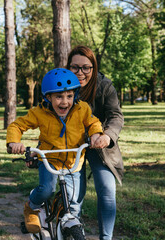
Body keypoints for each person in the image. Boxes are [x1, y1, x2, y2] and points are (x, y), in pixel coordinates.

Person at [6, 68, 104, 233]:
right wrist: (14, 142)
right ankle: (32, 207)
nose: (64, 102)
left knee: (74, 203)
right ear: (48, 97)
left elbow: (93, 122)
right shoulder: (40, 112)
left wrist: (96, 134)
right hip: (49, 160)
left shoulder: (83, 109)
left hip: (74, 162)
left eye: (69, 96)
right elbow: (17, 125)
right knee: (47, 190)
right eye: (58, 96)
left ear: (75, 95)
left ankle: (67, 229)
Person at [66, 45, 124, 239]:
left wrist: (107, 136)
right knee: (74, 195)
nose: (80, 73)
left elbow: (115, 115)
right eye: (75, 67)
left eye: (86, 68)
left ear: (94, 68)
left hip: (99, 146)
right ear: (68, 67)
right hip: (71, 146)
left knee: (107, 191)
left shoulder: (105, 86)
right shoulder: (61, 84)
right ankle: (74, 234)